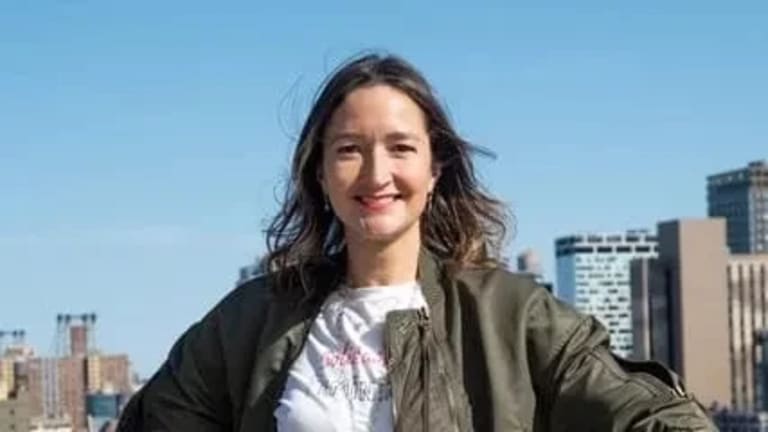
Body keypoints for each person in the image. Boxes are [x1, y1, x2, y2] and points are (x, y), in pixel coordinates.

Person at [117, 53, 716, 431]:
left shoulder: (510, 317)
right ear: (320, 176)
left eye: (401, 148)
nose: (377, 175)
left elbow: (651, 415)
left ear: (434, 172)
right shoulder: (251, 321)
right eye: (350, 150)